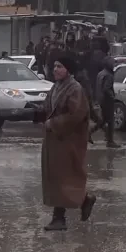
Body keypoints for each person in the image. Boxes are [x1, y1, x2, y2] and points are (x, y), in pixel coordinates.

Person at [40, 55, 96, 231]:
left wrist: (54, 123)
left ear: (68, 70)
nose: (55, 69)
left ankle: (60, 218)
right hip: (55, 141)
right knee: (58, 178)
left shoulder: (74, 89)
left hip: (68, 141)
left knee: (64, 178)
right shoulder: (56, 87)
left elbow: (76, 115)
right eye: (54, 66)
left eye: (60, 66)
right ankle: (83, 201)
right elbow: (48, 108)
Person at [91, 55, 121, 148]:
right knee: (110, 121)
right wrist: (112, 96)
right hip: (107, 100)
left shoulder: (101, 73)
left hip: (101, 99)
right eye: (112, 63)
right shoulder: (108, 75)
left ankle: (91, 133)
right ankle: (110, 141)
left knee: (103, 120)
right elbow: (106, 88)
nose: (113, 65)